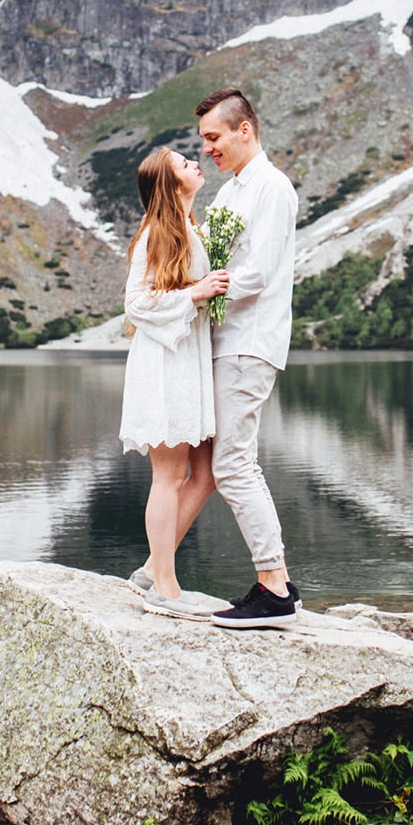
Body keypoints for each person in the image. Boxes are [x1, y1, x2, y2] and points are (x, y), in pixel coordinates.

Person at [194, 87, 301, 629]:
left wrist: (203, 289)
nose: (207, 149)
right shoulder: (230, 192)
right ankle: (155, 568)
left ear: (245, 130)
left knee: (234, 464)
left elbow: (259, 272)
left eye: (213, 137)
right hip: (223, 340)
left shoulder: (273, 188)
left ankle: (275, 585)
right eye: (204, 141)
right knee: (215, 463)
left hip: (249, 341)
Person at [118, 147, 229, 620]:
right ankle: (166, 587)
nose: (196, 164)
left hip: (189, 362)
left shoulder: (189, 226)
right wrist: (197, 293)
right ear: (170, 182)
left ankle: (151, 568)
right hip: (164, 365)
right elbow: (136, 304)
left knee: (206, 474)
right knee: (169, 475)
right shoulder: (155, 232)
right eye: (185, 164)